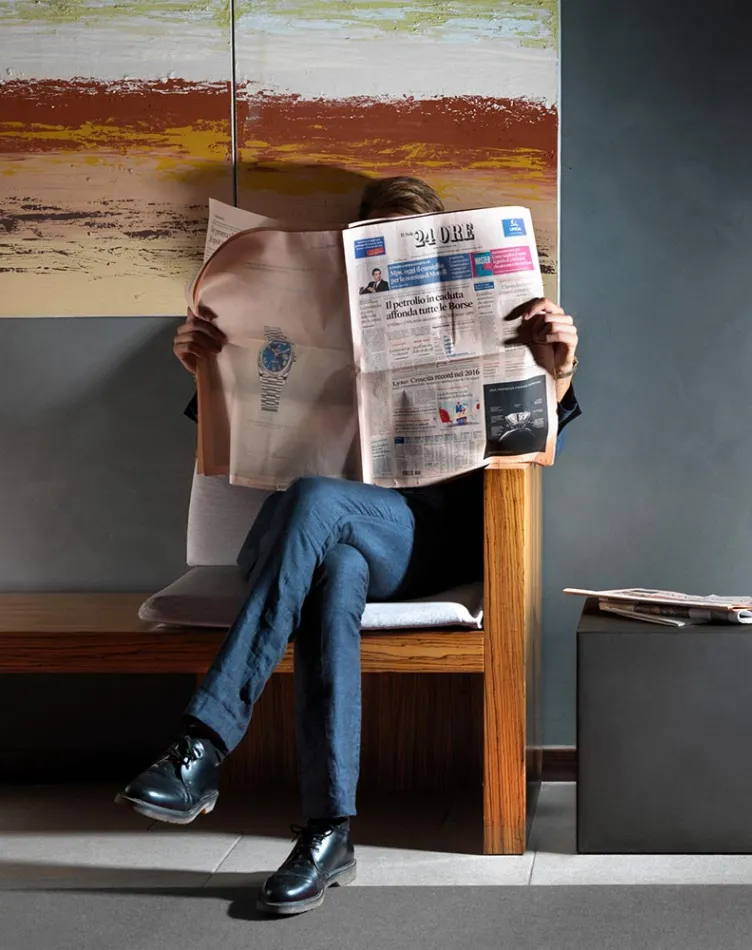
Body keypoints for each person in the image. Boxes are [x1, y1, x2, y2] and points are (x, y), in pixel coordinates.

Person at [115, 176, 581, 916]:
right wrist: (203, 365)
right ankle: (329, 835)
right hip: (300, 542)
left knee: (319, 506)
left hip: (418, 542)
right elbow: (235, 432)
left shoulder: (501, 323)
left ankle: (202, 748)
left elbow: (532, 437)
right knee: (329, 558)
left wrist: (557, 372)